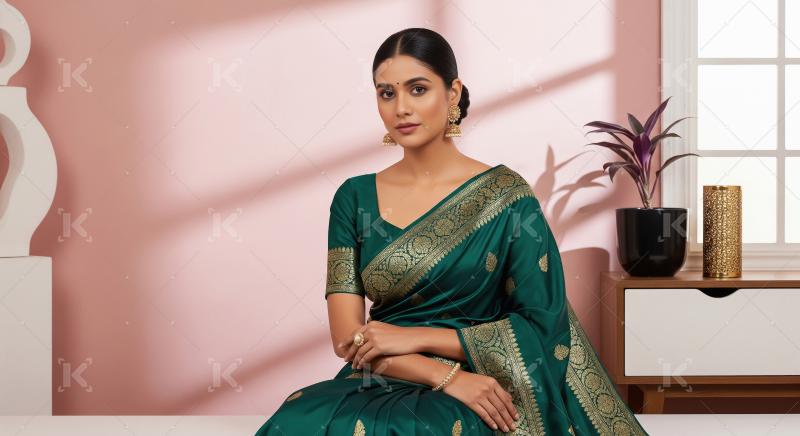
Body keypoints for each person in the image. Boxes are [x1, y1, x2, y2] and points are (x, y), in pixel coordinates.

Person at [255, 27, 649, 436]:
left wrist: (420, 342)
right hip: (382, 372)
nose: (401, 108)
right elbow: (347, 339)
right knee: (296, 419)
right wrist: (441, 376)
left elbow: (541, 328)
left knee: (426, 429)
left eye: (418, 89)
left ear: (453, 93)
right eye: (387, 93)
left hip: (484, 378)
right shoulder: (353, 199)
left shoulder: (506, 198)